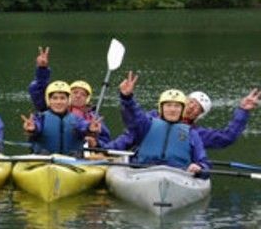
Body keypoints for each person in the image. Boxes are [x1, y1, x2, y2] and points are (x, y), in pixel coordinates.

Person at [105, 87, 259, 151]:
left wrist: (243, 110)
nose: (192, 107)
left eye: (197, 108)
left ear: (199, 115)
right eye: (191, 102)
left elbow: (227, 137)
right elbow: (131, 129)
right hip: (143, 167)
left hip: (176, 172)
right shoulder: (152, 119)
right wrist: (109, 151)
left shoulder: (195, 133)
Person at [117, 71, 209, 174]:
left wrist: (199, 167)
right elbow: (134, 114)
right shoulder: (147, 124)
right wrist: (127, 98)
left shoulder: (191, 133)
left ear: (182, 110)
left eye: (177, 106)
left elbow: (204, 163)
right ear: (161, 108)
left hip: (178, 175)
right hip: (143, 171)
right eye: (168, 105)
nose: (172, 110)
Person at [28, 46, 111, 145]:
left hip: (82, 155)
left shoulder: (91, 118)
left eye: (83, 94)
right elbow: (37, 90)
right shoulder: (49, 111)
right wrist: (42, 69)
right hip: (47, 155)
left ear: (87, 99)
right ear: (68, 96)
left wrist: (95, 141)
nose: (78, 96)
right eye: (75, 92)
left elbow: (105, 141)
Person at [21, 80, 101, 154]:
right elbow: (37, 126)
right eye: (55, 98)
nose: (58, 102)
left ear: (68, 101)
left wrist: (90, 128)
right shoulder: (40, 118)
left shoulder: (77, 119)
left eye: (62, 98)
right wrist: (32, 129)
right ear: (49, 100)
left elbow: (83, 126)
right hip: (44, 162)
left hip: (72, 163)